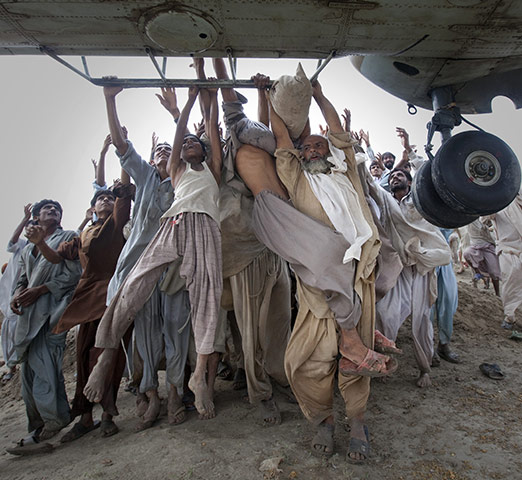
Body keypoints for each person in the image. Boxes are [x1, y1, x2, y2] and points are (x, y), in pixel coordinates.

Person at [252, 80, 397, 463]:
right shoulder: (298, 178)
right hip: (317, 283)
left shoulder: (345, 171)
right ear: (300, 156)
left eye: (320, 145)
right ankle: (324, 420)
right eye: (308, 146)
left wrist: (318, 95)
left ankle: (358, 422)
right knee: (308, 358)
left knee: (355, 361)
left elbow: (337, 131)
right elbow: (281, 135)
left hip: (359, 275)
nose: (314, 148)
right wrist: (268, 99)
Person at [85, 79, 223, 421]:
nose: (188, 144)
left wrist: (210, 95)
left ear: (204, 152)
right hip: (174, 224)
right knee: (134, 284)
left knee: (207, 297)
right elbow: (180, 132)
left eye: (196, 143)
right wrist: (186, 105)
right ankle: (108, 352)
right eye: (183, 145)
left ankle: (198, 375)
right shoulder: (173, 172)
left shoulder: (212, 170)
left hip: (205, 228)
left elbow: (211, 133)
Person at [98, 85, 191, 430]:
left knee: (176, 329)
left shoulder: (187, 180)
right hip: (140, 268)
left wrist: (176, 113)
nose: (165, 153)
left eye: (171, 149)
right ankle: (150, 393)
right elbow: (122, 147)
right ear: (152, 160)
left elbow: (184, 141)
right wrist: (110, 99)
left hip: (174, 269)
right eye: (159, 150)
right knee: (147, 333)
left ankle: (176, 392)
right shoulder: (148, 179)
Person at [212, 58, 292, 425]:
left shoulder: (268, 151)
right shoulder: (233, 150)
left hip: (274, 248)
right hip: (245, 251)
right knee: (252, 329)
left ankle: (279, 377)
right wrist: (210, 57)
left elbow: (263, 130)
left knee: (279, 323)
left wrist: (263, 91)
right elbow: (233, 110)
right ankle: (260, 393)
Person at [31, 183, 134, 441]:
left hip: (114, 293)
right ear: (92, 208)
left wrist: (119, 189)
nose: (106, 200)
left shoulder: (118, 222)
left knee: (108, 355)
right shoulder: (83, 235)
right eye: (101, 198)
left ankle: (107, 416)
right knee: (84, 352)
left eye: (110, 197)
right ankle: (86, 417)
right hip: (86, 296)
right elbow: (56, 258)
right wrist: (39, 243)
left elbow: (123, 200)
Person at [7, 200, 81, 455]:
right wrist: (17, 295)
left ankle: (54, 420)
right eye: (47, 209)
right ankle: (37, 424)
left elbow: (74, 274)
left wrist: (42, 289)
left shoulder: (69, 236)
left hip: (53, 311)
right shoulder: (28, 248)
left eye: (57, 209)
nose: (54, 211)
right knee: (29, 372)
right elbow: (23, 278)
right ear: (36, 217)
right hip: (29, 317)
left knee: (46, 367)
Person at [374, 167, 451, 387]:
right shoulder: (385, 202)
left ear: (409, 182)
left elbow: (426, 230)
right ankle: (382, 361)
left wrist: (420, 252)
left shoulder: (418, 202)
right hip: (395, 267)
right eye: (393, 176)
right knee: (385, 313)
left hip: (420, 266)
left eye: (400, 175)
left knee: (421, 319)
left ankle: (425, 368)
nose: (395, 177)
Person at [0, 204, 31, 382]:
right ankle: (11, 367)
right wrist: (24, 220)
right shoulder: (21, 245)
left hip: (28, 294)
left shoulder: (43, 247)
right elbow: (11, 242)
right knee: (10, 330)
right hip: (11, 296)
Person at [488, 190, 522, 329]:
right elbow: (485, 216)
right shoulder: (500, 203)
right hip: (508, 250)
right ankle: (510, 317)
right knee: (510, 283)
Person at [431, 228, 460, 365]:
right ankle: (428, 347)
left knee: (448, 300)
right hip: (425, 256)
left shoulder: (451, 207)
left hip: (444, 257)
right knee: (427, 306)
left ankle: (444, 344)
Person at [463, 218, 501, 296]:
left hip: (488, 246)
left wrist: (489, 227)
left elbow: (489, 227)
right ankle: (479, 273)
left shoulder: (486, 217)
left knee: (493, 272)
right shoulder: (470, 220)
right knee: (467, 253)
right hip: (475, 246)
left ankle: (497, 293)